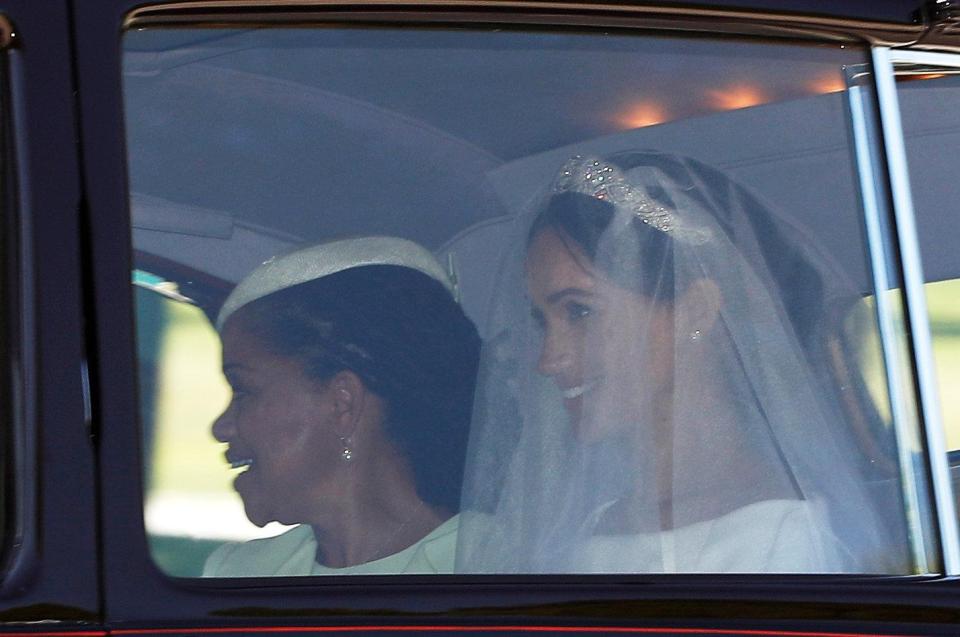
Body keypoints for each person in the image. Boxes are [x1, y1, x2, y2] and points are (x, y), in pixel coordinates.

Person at [456, 151, 908, 574]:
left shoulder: (785, 533)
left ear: (695, 311)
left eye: (579, 311)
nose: (547, 360)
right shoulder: (578, 525)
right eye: (542, 321)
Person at [204, 236, 481, 576]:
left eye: (243, 390)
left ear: (341, 404)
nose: (221, 427)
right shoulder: (236, 573)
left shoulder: (495, 563)